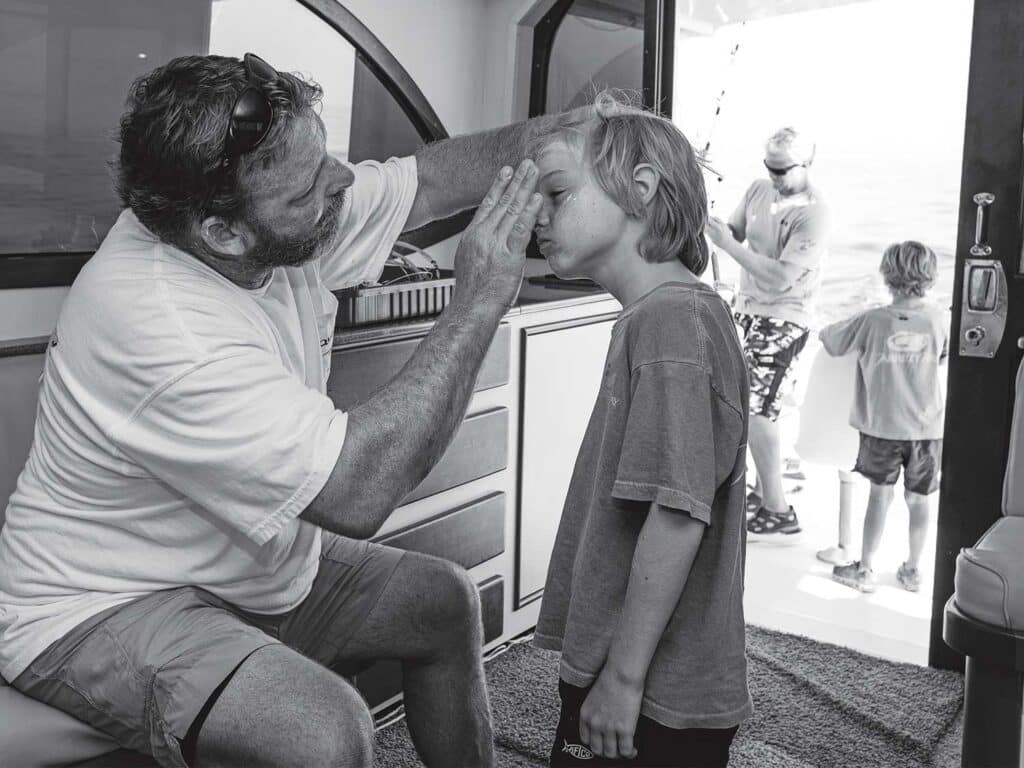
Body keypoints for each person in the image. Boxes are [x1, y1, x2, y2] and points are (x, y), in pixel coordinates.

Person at [0, 52, 576, 768]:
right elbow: (359, 490)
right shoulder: (160, 321)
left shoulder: (274, 221)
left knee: (441, 602)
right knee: (326, 731)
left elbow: (426, 182)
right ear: (222, 232)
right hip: (103, 601)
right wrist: (480, 300)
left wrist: (563, 138)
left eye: (326, 157)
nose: (342, 181)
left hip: (237, 562)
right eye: (309, 188)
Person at [530, 95, 753, 767]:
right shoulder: (665, 317)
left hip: (651, 691)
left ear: (640, 189)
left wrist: (623, 679)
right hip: (639, 675)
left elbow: (678, 514)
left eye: (558, 193)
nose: (538, 215)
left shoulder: (669, 325)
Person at [707, 126, 829, 538]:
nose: (774, 176)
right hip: (747, 312)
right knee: (743, 404)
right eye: (769, 167)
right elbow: (736, 232)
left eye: (781, 170)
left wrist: (727, 245)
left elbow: (779, 278)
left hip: (786, 317)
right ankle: (760, 493)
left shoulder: (814, 213)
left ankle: (778, 510)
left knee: (760, 412)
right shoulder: (759, 190)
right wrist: (710, 221)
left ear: (806, 163)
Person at [821, 241, 947, 593]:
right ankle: (913, 570)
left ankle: (865, 570)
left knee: (880, 494)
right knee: (919, 500)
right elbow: (942, 357)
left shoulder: (872, 320)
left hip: (881, 428)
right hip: (927, 429)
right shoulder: (939, 319)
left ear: (886, 276)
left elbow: (830, 340)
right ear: (931, 277)